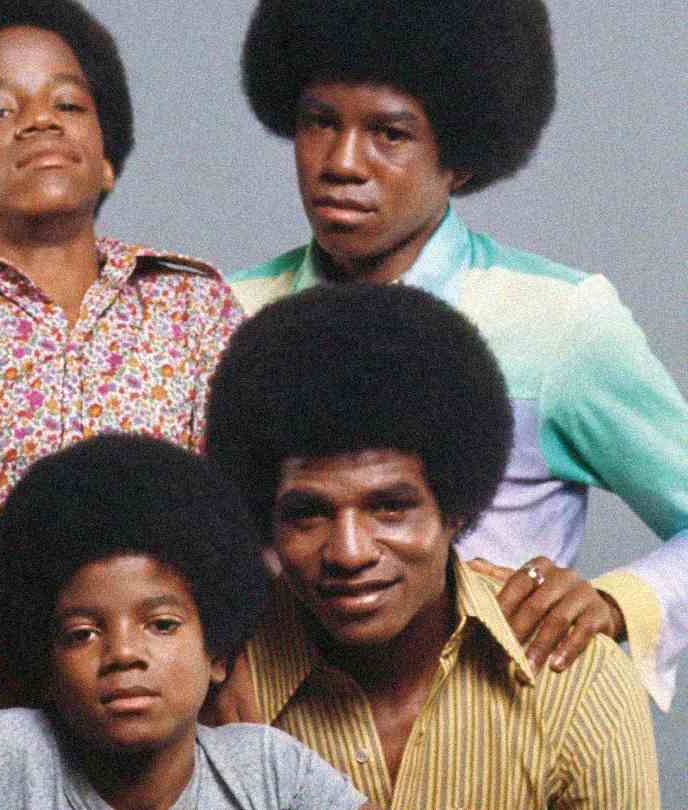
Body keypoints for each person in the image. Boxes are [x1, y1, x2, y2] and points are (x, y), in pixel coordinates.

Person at [227, 0, 688, 710]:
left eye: (389, 133)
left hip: (500, 735)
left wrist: (619, 601)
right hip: (279, 736)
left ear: (462, 158)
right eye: (320, 122)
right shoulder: (225, 312)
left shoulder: (558, 321)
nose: (341, 163)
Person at [0, 0, 243, 635]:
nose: (40, 121)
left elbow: (240, 520)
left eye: (69, 104)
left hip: (161, 662)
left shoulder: (193, 307)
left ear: (107, 159)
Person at [205, 284, 659, 807]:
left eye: (389, 508)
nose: (349, 552)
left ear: (456, 506)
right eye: (308, 513)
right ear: (266, 518)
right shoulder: (214, 682)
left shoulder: (574, 681)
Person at [0, 434, 373, 810]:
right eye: (83, 634)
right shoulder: (4, 758)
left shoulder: (267, 768)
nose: (124, 654)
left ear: (217, 654)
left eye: (162, 625)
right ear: (45, 665)